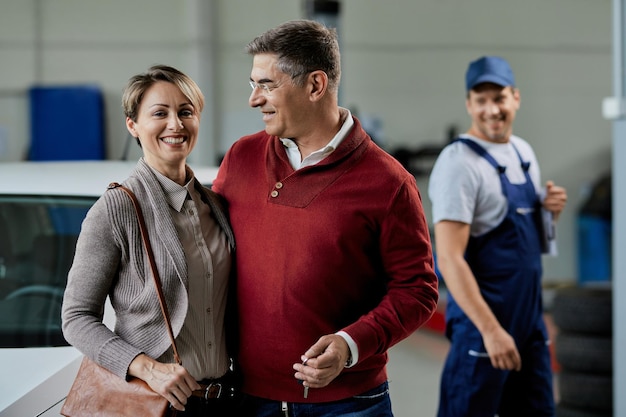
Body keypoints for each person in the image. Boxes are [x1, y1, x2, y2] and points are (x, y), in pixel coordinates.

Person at [211, 19, 439, 417]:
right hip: (247, 399)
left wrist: (350, 344)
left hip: (348, 405)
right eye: (253, 84)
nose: (254, 99)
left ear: (315, 86)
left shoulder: (388, 182)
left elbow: (417, 290)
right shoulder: (241, 158)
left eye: (267, 84)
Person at [62, 65, 239, 416]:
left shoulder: (216, 205)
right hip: (155, 402)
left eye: (186, 112)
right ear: (133, 125)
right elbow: (77, 318)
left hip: (224, 400)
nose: (176, 124)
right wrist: (148, 368)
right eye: (160, 113)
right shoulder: (115, 209)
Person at [428, 56, 568, 417]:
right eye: (481, 99)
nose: (492, 109)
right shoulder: (458, 164)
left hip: (529, 320)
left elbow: (525, 239)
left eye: (500, 98)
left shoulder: (522, 152)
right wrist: (490, 331)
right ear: (469, 104)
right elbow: (449, 259)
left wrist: (547, 210)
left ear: (516, 98)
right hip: (482, 325)